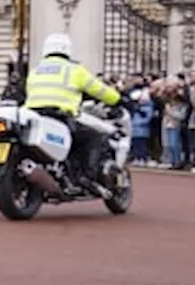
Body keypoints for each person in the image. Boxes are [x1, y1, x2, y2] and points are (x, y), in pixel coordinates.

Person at [22, 33, 127, 179]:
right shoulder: (73, 69)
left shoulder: (35, 71)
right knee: (96, 136)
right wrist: (118, 99)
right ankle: (88, 175)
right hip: (61, 117)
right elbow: (99, 89)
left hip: (36, 117)